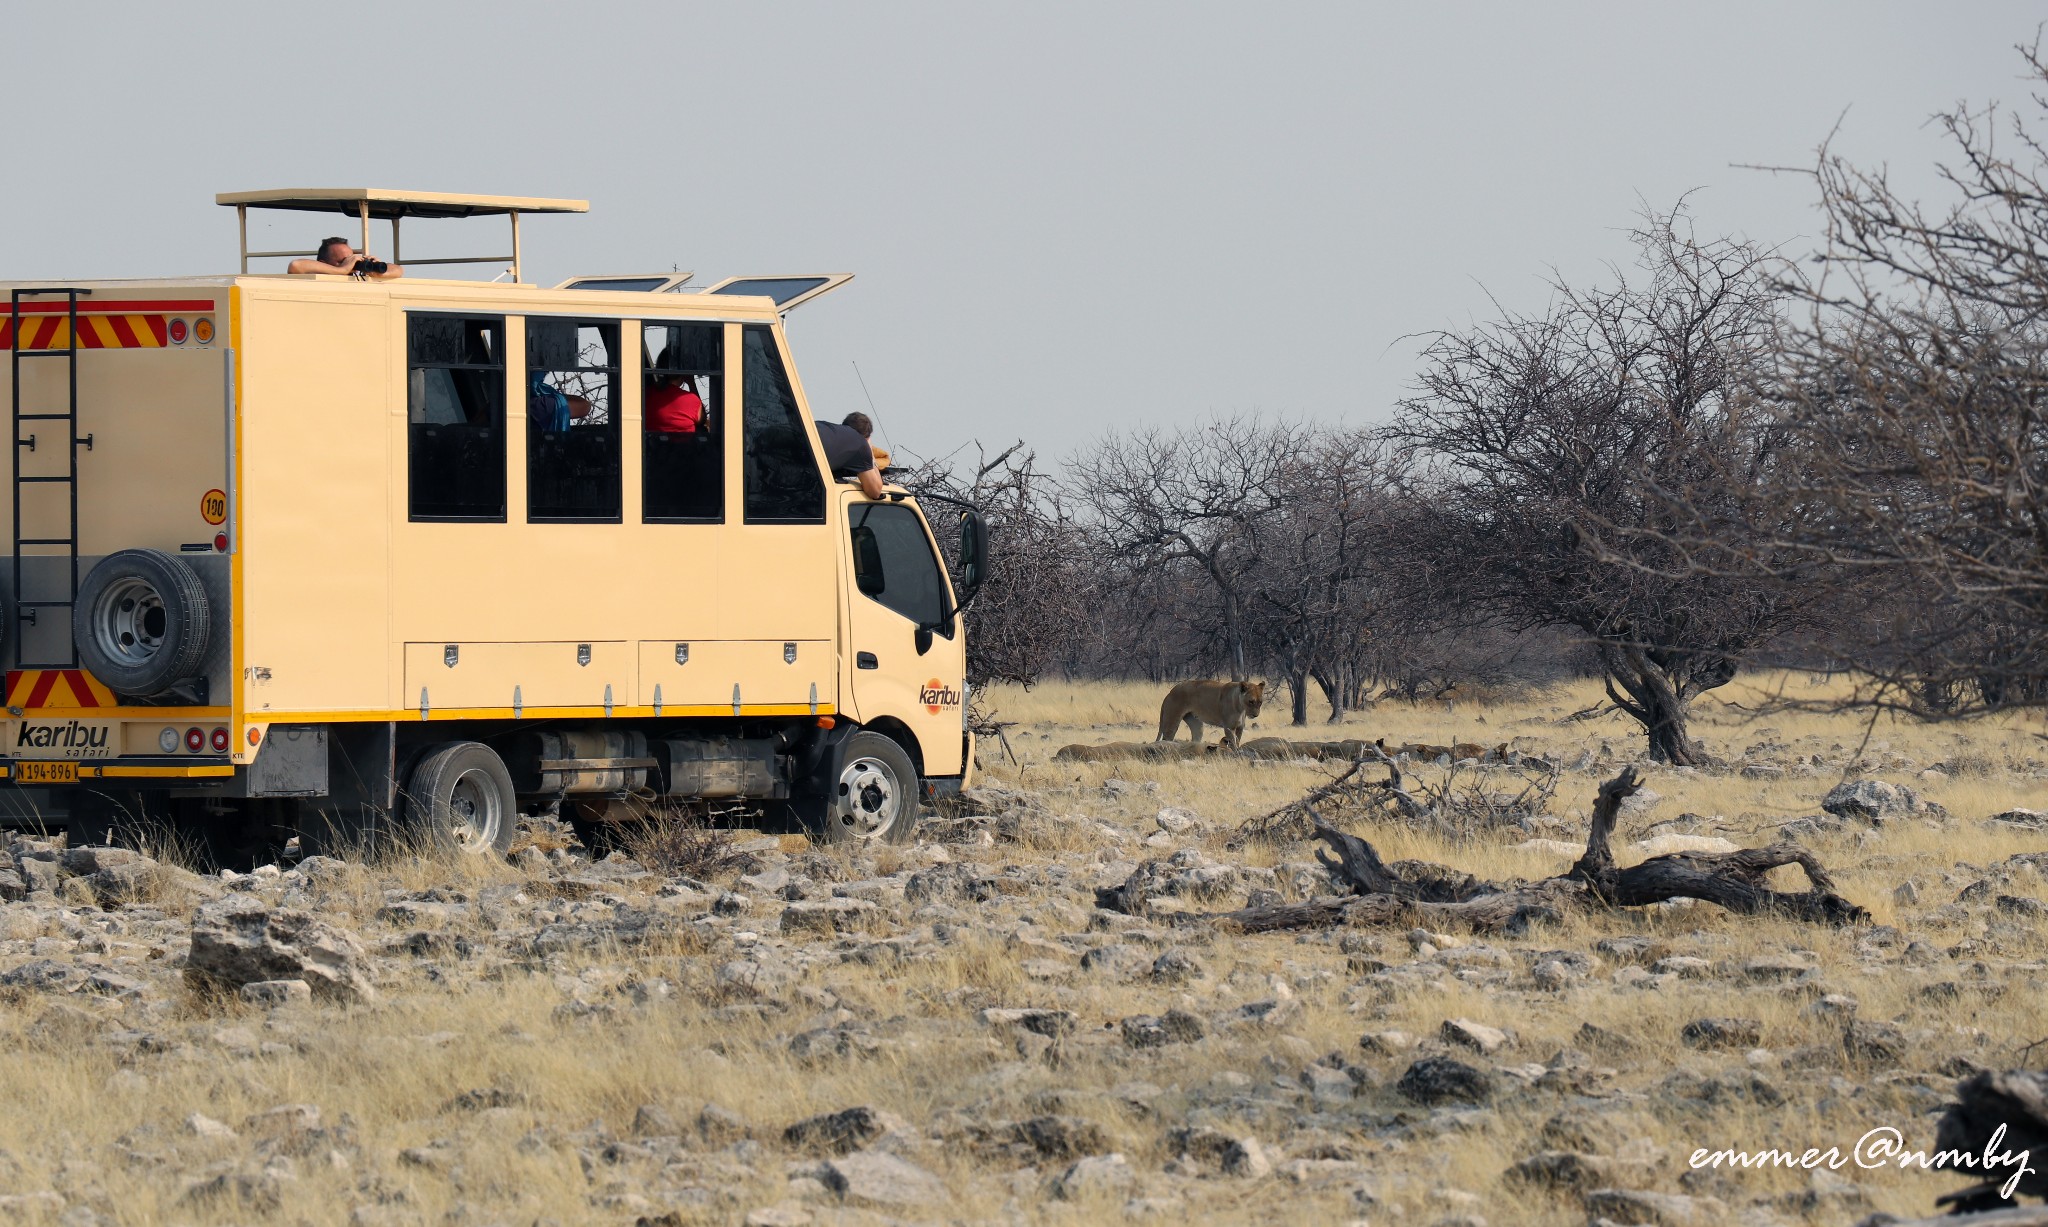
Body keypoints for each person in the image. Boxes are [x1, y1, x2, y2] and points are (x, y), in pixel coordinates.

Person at [816, 411, 884, 498]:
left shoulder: (824, 426)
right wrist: (870, 451)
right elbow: (875, 492)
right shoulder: (860, 444)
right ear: (866, 438)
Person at [286, 237, 404, 280]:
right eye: (343, 260)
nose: (351, 264)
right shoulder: (317, 278)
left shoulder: (358, 278)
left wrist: (376, 271)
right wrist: (341, 270)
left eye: (352, 259)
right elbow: (296, 266)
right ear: (323, 263)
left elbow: (399, 270)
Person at [645, 356, 704, 433]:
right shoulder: (691, 400)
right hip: (684, 444)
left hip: (651, 444)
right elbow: (702, 420)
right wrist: (691, 383)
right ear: (682, 372)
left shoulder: (646, 395)